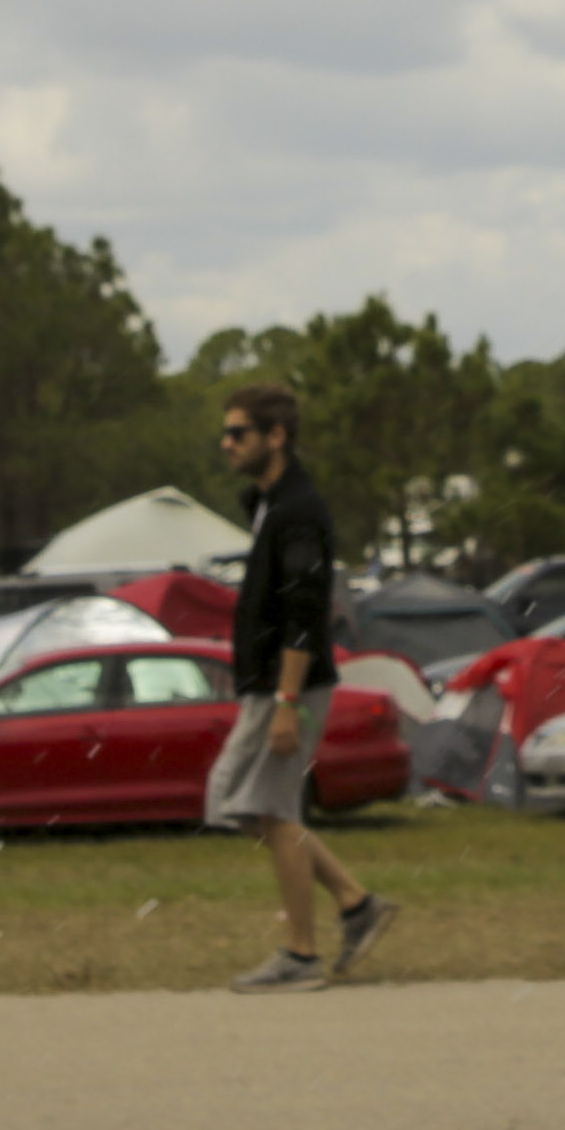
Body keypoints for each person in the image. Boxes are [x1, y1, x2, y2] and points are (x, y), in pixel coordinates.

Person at [211, 382, 395, 992]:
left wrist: (288, 703)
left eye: (238, 432)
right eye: (226, 432)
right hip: (266, 685)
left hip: (287, 686)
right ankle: (356, 903)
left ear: (277, 436)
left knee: (270, 810)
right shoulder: (268, 503)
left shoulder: (300, 511)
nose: (227, 443)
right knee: (237, 801)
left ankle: (301, 955)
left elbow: (305, 612)